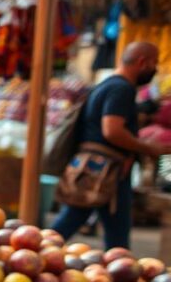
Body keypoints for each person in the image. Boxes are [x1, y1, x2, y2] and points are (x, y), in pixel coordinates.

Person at [52, 42, 167, 249]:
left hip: (97, 170)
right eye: (154, 63)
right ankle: (31, 252)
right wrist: (147, 147)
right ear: (142, 62)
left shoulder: (108, 85)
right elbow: (112, 130)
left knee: (97, 230)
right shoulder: (121, 88)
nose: (155, 69)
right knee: (109, 237)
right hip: (106, 172)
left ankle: (34, 251)